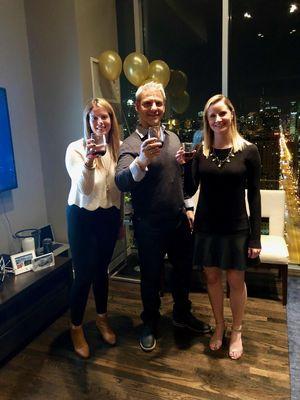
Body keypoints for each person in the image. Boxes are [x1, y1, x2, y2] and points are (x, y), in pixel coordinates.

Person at [115, 81, 211, 352]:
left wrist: (189, 206)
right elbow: (122, 181)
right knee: (150, 278)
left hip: (178, 221)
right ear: (137, 107)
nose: (154, 108)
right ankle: (150, 322)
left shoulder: (174, 138)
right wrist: (142, 160)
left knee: (182, 274)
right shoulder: (131, 144)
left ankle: (181, 314)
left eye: (158, 103)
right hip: (149, 226)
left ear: (165, 107)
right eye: (148, 103)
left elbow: (179, 181)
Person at [176, 94, 261, 360]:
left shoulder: (249, 150)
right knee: (212, 278)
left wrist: (255, 238)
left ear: (232, 115)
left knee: (236, 280)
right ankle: (220, 326)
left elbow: (254, 196)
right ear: (206, 121)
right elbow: (189, 189)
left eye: (222, 113)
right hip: (206, 227)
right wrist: (185, 166)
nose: (217, 119)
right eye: (212, 116)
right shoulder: (201, 151)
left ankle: (236, 330)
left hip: (236, 228)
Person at [65, 98, 122, 358]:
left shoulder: (118, 147)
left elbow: (119, 189)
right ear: (87, 121)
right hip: (82, 216)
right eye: (95, 118)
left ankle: (101, 318)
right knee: (84, 274)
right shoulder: (75, 149)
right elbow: (85, 190)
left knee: (102, 271)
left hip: (108, 216)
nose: (100, 122)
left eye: (105, 117)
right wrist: (89, 161)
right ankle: (76, 327)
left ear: (112, 120)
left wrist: (120, 220)